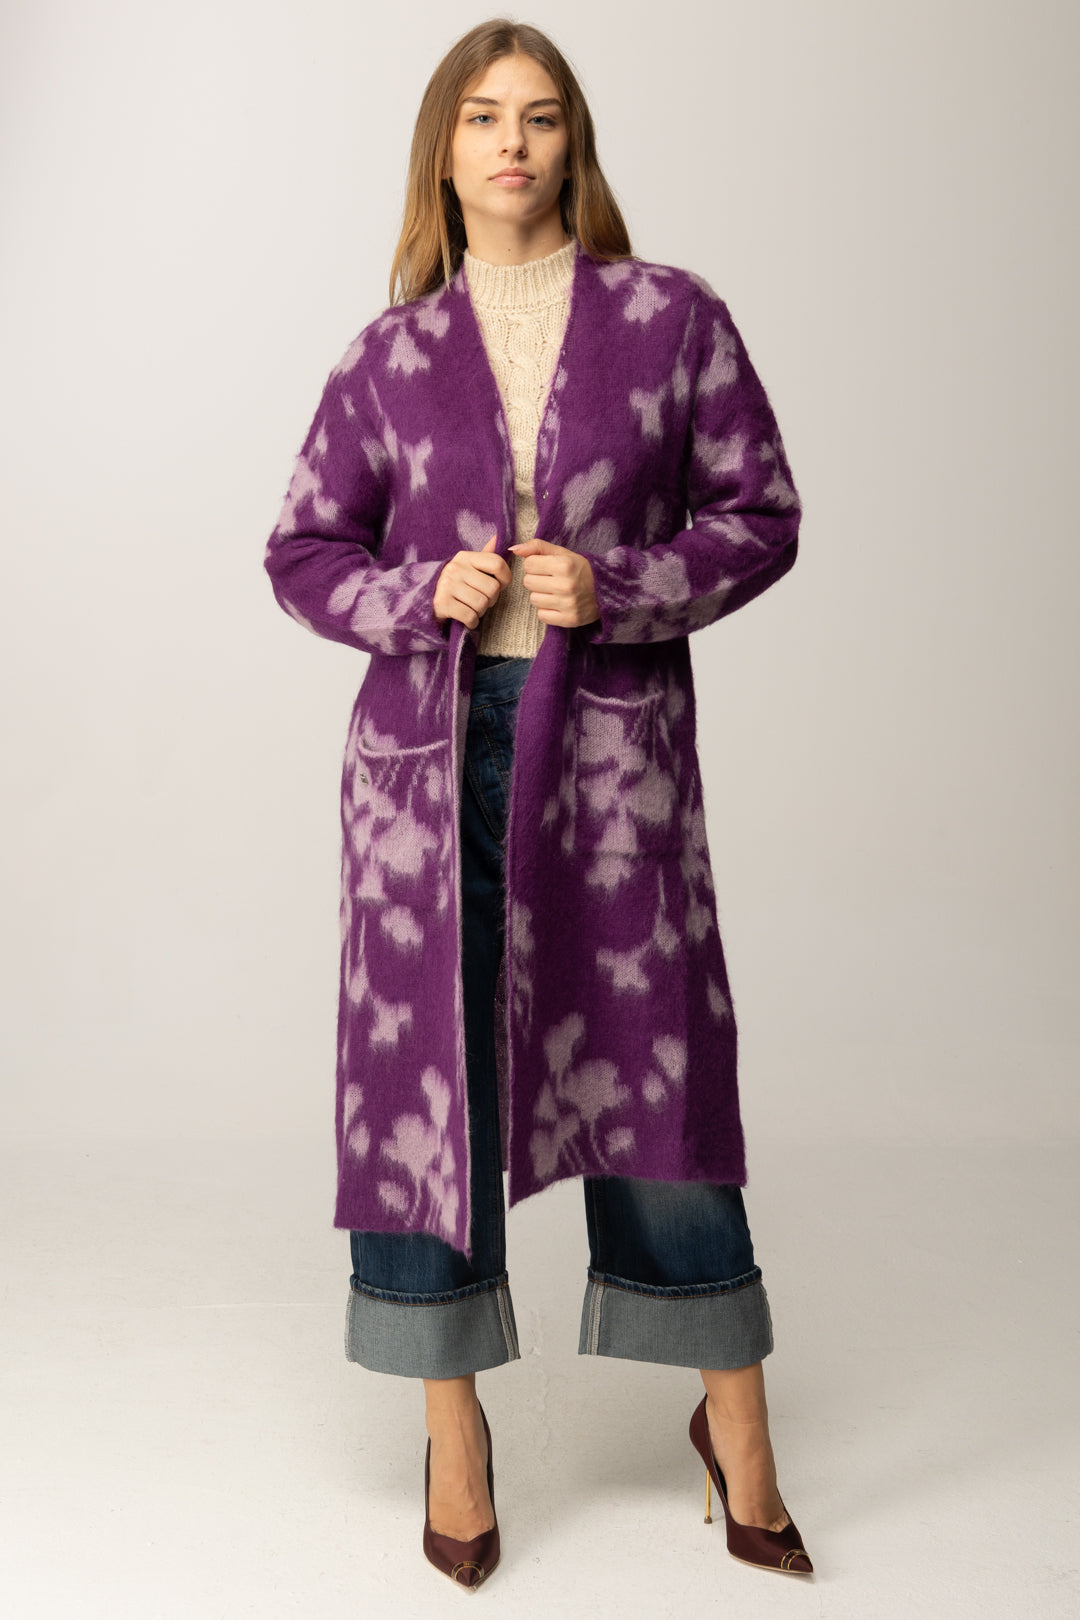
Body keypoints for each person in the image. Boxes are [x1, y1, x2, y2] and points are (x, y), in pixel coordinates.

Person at [264, 16, 812, 1591]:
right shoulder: (389, 356)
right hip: (424, 775)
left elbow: (761, 513)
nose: (514, 142)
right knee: (427, 1096)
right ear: (444, 151)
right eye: (484, 117)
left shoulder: (670, 320)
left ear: (576, 144)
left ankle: (738, 1426)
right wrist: (413, 594)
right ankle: (455, 1430)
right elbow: (303, 551)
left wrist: (618, 586)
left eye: (543, 116)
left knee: (659, 1077)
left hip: (611, 755)